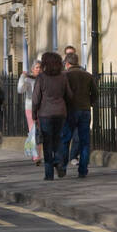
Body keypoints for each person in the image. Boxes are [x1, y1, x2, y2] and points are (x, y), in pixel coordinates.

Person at [31, 51, 71, 180]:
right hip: (61, 112)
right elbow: (69, 95)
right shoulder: (63, 77)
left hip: (45, 113)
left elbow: (36, 98)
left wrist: (33, 113)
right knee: (58, 139)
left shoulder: (41, 78)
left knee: (47, 142)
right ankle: (59, 161)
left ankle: (49, 174)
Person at [62, 51, 97, 177]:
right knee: (85, 141)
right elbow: (95, 93)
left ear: (67, 63)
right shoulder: (88, 75)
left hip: (70, 110)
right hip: (85, 110)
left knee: (65, 140)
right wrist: (89, 103)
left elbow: (62, 94)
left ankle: (62, 167)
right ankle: (83, 170)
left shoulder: (65, 75)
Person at [19, 59, 42, 166]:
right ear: (32, 69)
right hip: (30, 107)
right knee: (33, 130)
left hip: (42, 107)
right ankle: (35, 155)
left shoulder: (44, 79)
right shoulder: (28, 79)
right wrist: (22, 77)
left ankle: (38, 155)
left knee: (41, 131)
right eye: (37, 67)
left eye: (40, 67)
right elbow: (20, 89)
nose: (39, 69)